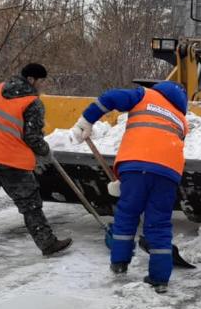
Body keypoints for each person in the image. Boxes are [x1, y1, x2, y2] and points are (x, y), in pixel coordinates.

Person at [70, 81, 188, 294]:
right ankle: (159, 279)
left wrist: (86, 121)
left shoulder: (145, 95)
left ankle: (119, 262)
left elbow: (110, 97)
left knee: (127, 214)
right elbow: (164, 146)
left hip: (135, 165)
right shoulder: (181, 120)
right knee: (159, 223)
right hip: (168, 173)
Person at [0, 63, 72, 260]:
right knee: (30, 205)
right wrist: (45, 151)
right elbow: (32, 138)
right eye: (41, 81)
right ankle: (48, 244)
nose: (43, 86)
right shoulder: (32, 103)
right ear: (32, 80)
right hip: (12, 164)